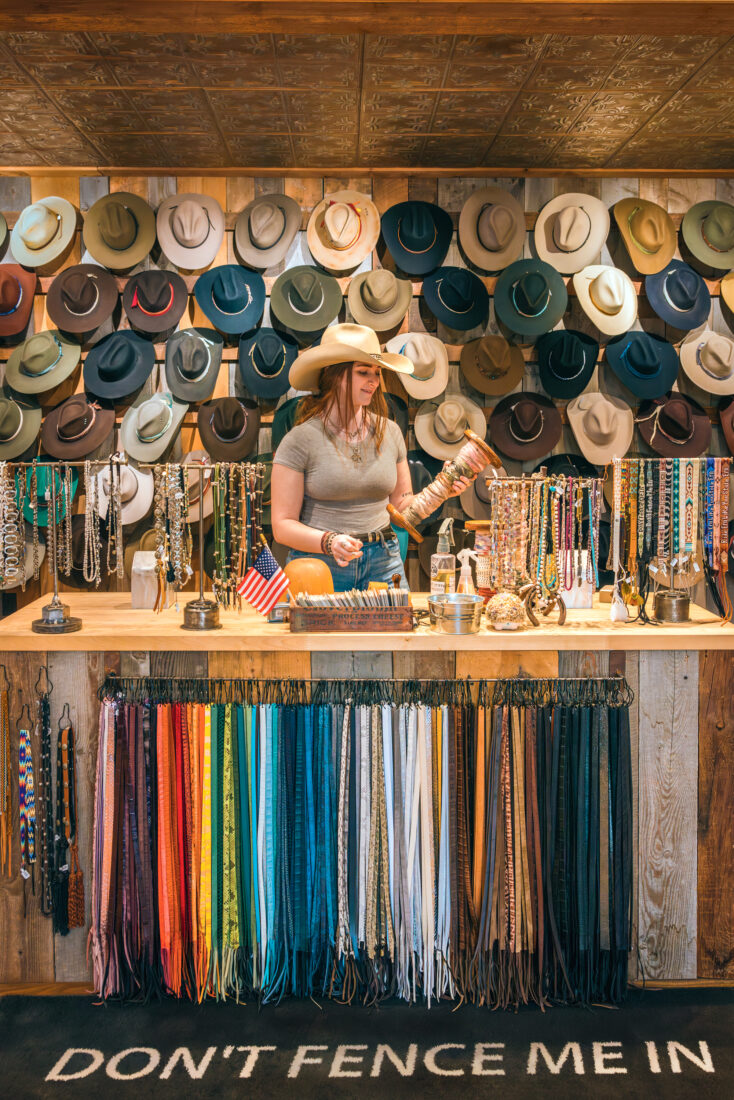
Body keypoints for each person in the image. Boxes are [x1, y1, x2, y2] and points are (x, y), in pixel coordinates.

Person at [271, 323, 476, 590]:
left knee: (394, 632)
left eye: (377, 373)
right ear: (334, 375)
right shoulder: (301, 440)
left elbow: (403, 508)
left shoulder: (389, 432)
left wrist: (443, 490)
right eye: (363, 372)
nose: (374, 381)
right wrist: (330, 541)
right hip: (321, 566)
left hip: (384, 562)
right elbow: (282, 525)